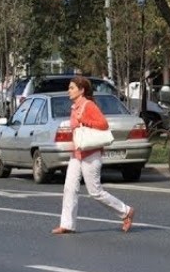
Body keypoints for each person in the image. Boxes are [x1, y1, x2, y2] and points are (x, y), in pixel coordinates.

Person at [52, 75, 135, 235]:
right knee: (69, 188)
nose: (68, 91)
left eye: (71, 88)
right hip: (77, 153)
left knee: (95, 191)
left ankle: (126, 211)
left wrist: (85, 120)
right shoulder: (74, 107)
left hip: (91, 153)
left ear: (81, 90)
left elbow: (103, 124)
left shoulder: (88, 105)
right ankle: (67, 224)